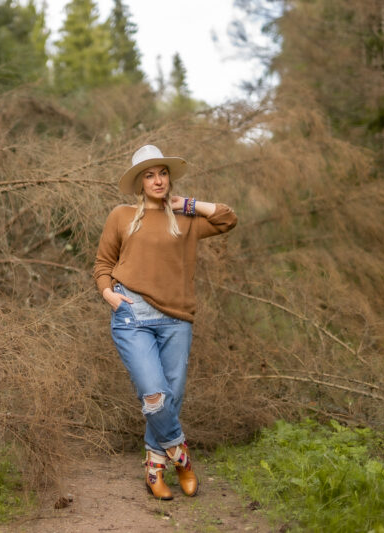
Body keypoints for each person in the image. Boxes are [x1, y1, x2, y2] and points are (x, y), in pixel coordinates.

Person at [93, 144, 237, 500]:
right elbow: (102, 264)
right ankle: (182, 459)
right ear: (139, 182)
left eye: (162, 173)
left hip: (176, 319)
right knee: (155, 397)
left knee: (171, 398)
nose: (157, 180)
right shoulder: (122, 215)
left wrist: (187, 204)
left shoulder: (185, 219)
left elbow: (227, 218)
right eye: (149, 175)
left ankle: (154, 469)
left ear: (169, 178)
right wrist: (110, 295)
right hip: (132, 315)